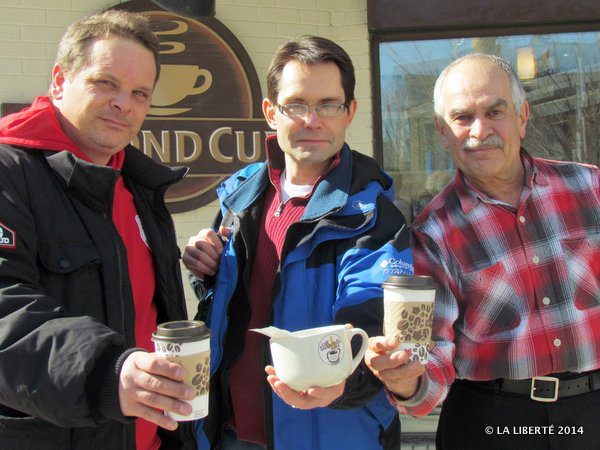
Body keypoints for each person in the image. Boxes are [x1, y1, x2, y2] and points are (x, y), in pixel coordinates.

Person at [182, 36, 413, 449]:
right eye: (296, 104)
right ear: (271, 113)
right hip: (231, 435)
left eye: (329, 104)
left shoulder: (372, 216)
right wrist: (209, 266)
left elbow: (373, 317)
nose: (313, 120)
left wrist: (345, 381)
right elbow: (232, 306)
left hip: (335, 435)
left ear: (350, 113)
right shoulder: (241, 198)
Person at [365, 53, 600, 449]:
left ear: (523, 117)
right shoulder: (430, 233)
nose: (480, 130)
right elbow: (428, 354)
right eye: (462, 117)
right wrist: (407, 379)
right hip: (491, 422)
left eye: (496, 111)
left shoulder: (589, 187)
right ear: (441, 131)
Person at [0, 10, 197, 450]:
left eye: (140, 93)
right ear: (59, 80)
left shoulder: (139, 186)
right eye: (105, 83)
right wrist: (106, 372)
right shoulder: (9, 172)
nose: (124, 103)